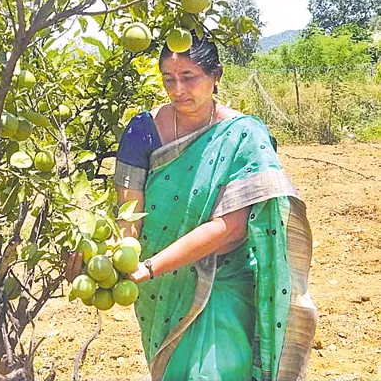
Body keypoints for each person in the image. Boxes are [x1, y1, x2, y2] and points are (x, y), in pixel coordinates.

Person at [110, 34, 317, 380]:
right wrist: (115, 260)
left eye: (188, 77)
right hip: (161, 294)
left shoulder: (245, 135)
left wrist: (150, 265)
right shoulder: (142, 131)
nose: (177, 89)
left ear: (215, 75)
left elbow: (232, 228)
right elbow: (129, 218)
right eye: (168, 78)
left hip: (222, 281)